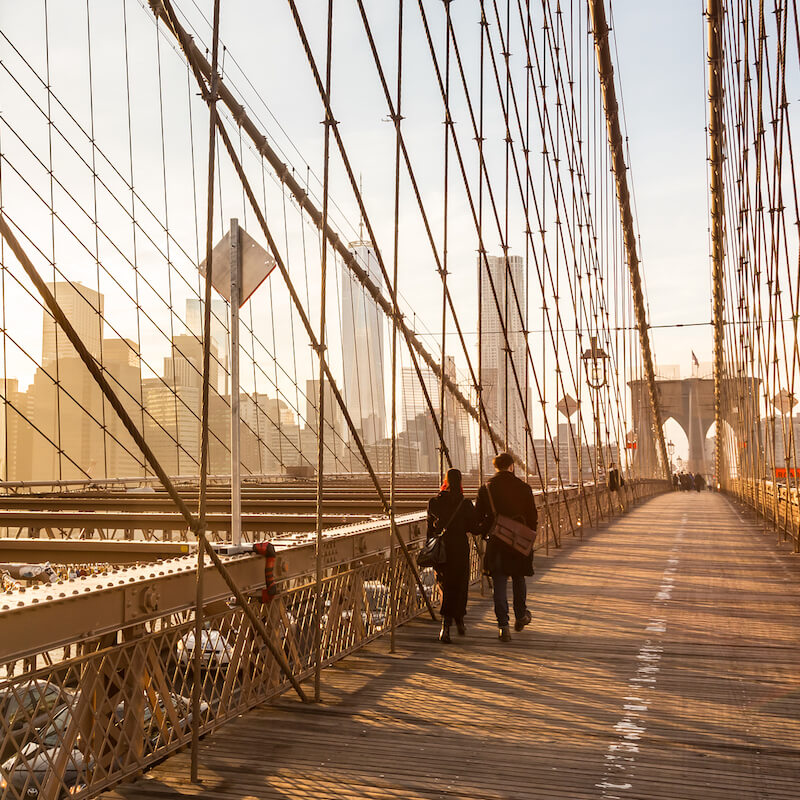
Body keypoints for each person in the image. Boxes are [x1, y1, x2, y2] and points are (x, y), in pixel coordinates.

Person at [475, 452, 538, 642]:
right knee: (519, 579)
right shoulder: (524, 487)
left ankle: (503, 626)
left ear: (495, 467)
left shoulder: (486, 488)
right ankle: (520, 615)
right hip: (519, 541)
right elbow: (533, 518)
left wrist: (485, 531)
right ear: (512, 466)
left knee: (499, 584)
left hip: (497, 542)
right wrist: (526, 535)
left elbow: (480, 518)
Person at [426, 468, 476, 643]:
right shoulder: (466, 504)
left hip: (442, 549)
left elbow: (430, 530)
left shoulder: (434, 503)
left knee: (445, 585)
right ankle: (460, 621)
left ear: (445, 481)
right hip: (460, 548)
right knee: (460, 585)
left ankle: (445, 627)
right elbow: (474, 528)